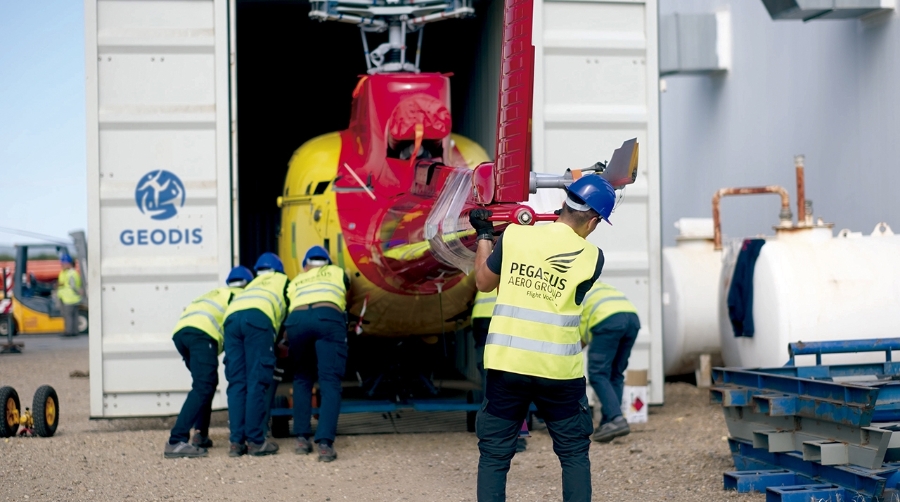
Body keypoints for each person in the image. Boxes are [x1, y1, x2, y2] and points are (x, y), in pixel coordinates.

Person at [470, 174, 617, 502]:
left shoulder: (515, 237)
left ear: (563, 204)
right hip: (559, 374)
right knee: (574, 454)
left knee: (495, 456)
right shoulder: (593, 259)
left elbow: (482, 282)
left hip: (508, 366)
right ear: (594, 221)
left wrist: (484, 235)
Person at [164, 266, 254, 458]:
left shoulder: (216, 293)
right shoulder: (240, 296)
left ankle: (201, 434)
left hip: (182, 333)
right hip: (202, 335)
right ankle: (176, 440)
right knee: (204, 386)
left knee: (206, 384)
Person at [285, 245, 350, 462]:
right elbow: (349, 292)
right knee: (329, 381)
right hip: (328, 318)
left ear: (306, 265)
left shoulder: (296, 280)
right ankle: (324, 444)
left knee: (302, 378)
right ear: (327, 264)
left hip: (297, 321)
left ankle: (302, 439)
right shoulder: (338, 272)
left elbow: (288, 303)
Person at [223, 252, 289, 457]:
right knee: (256, 381)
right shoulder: (283, 280)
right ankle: (255, 441)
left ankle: (236, 443)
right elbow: (293, 310)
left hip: (232, 320)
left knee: (237, 383)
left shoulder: (252, 284)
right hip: (258, 320)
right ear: (279, 269)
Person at [581, 282, 640, 443]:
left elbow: (578, 337)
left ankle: (616, 419)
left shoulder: (574, 293)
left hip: (607, 321)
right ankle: (608, 423)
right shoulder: (599, 286)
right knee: (615, 374)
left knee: (598, 374)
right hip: (632, 319)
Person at [472, 289, 528, 453]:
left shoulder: (487, 265)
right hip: (506, 316)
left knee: (489, 378)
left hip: (482, 318)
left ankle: (494, 433)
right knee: (513, 376)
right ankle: (516, 436)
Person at [57, 254, 83, 337]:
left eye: (63, 264)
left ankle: (69, 332)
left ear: (68, 264)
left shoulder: (70, 273)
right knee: (74, 315)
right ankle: (74, 331)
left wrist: (78, 291)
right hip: (72, 298)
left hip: (68, 298)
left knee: (68, 316)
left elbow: (73, 286)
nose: (62, 265)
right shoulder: (71, 272)